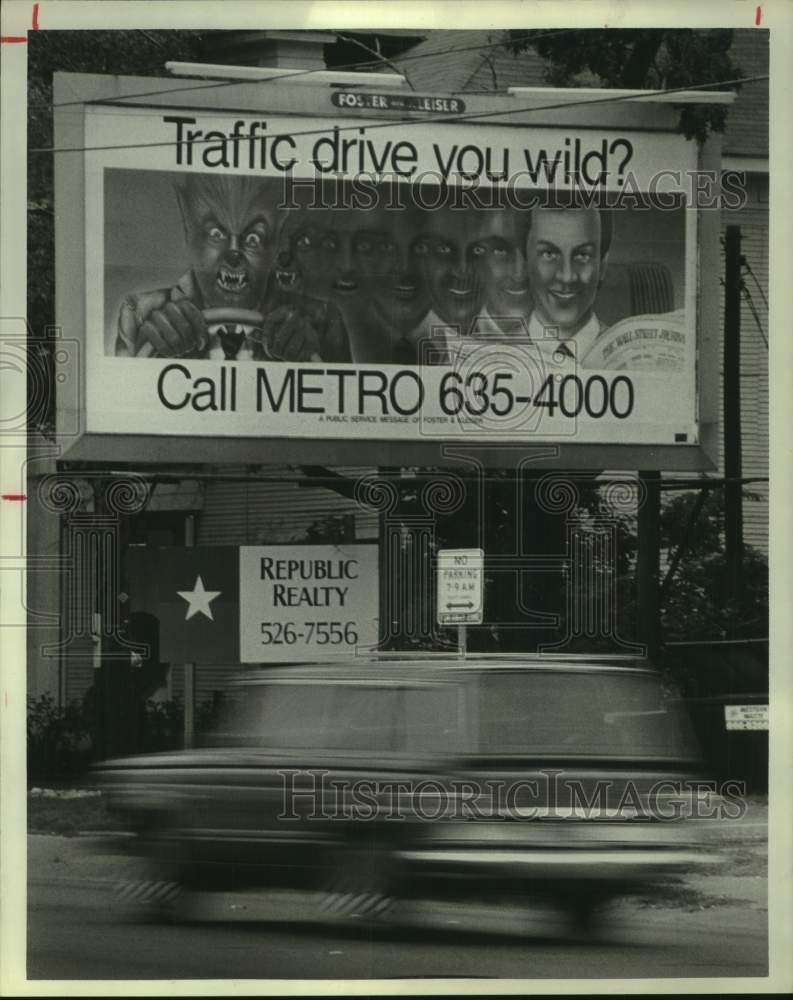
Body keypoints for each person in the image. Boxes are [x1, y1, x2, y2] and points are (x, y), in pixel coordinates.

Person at [114, 174, 348, 363]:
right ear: (189, 228)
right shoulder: (139, 314)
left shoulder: (323, 322)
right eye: (216, 234)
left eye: (254, 238)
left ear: (276, 242)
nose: (233, 255)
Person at [524, 203, 613, 365]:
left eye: (582, 255)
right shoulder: (491, 354)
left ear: (603, 266)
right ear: (525, 262)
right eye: (549, 254)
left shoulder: (635, 357)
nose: (567, 277)